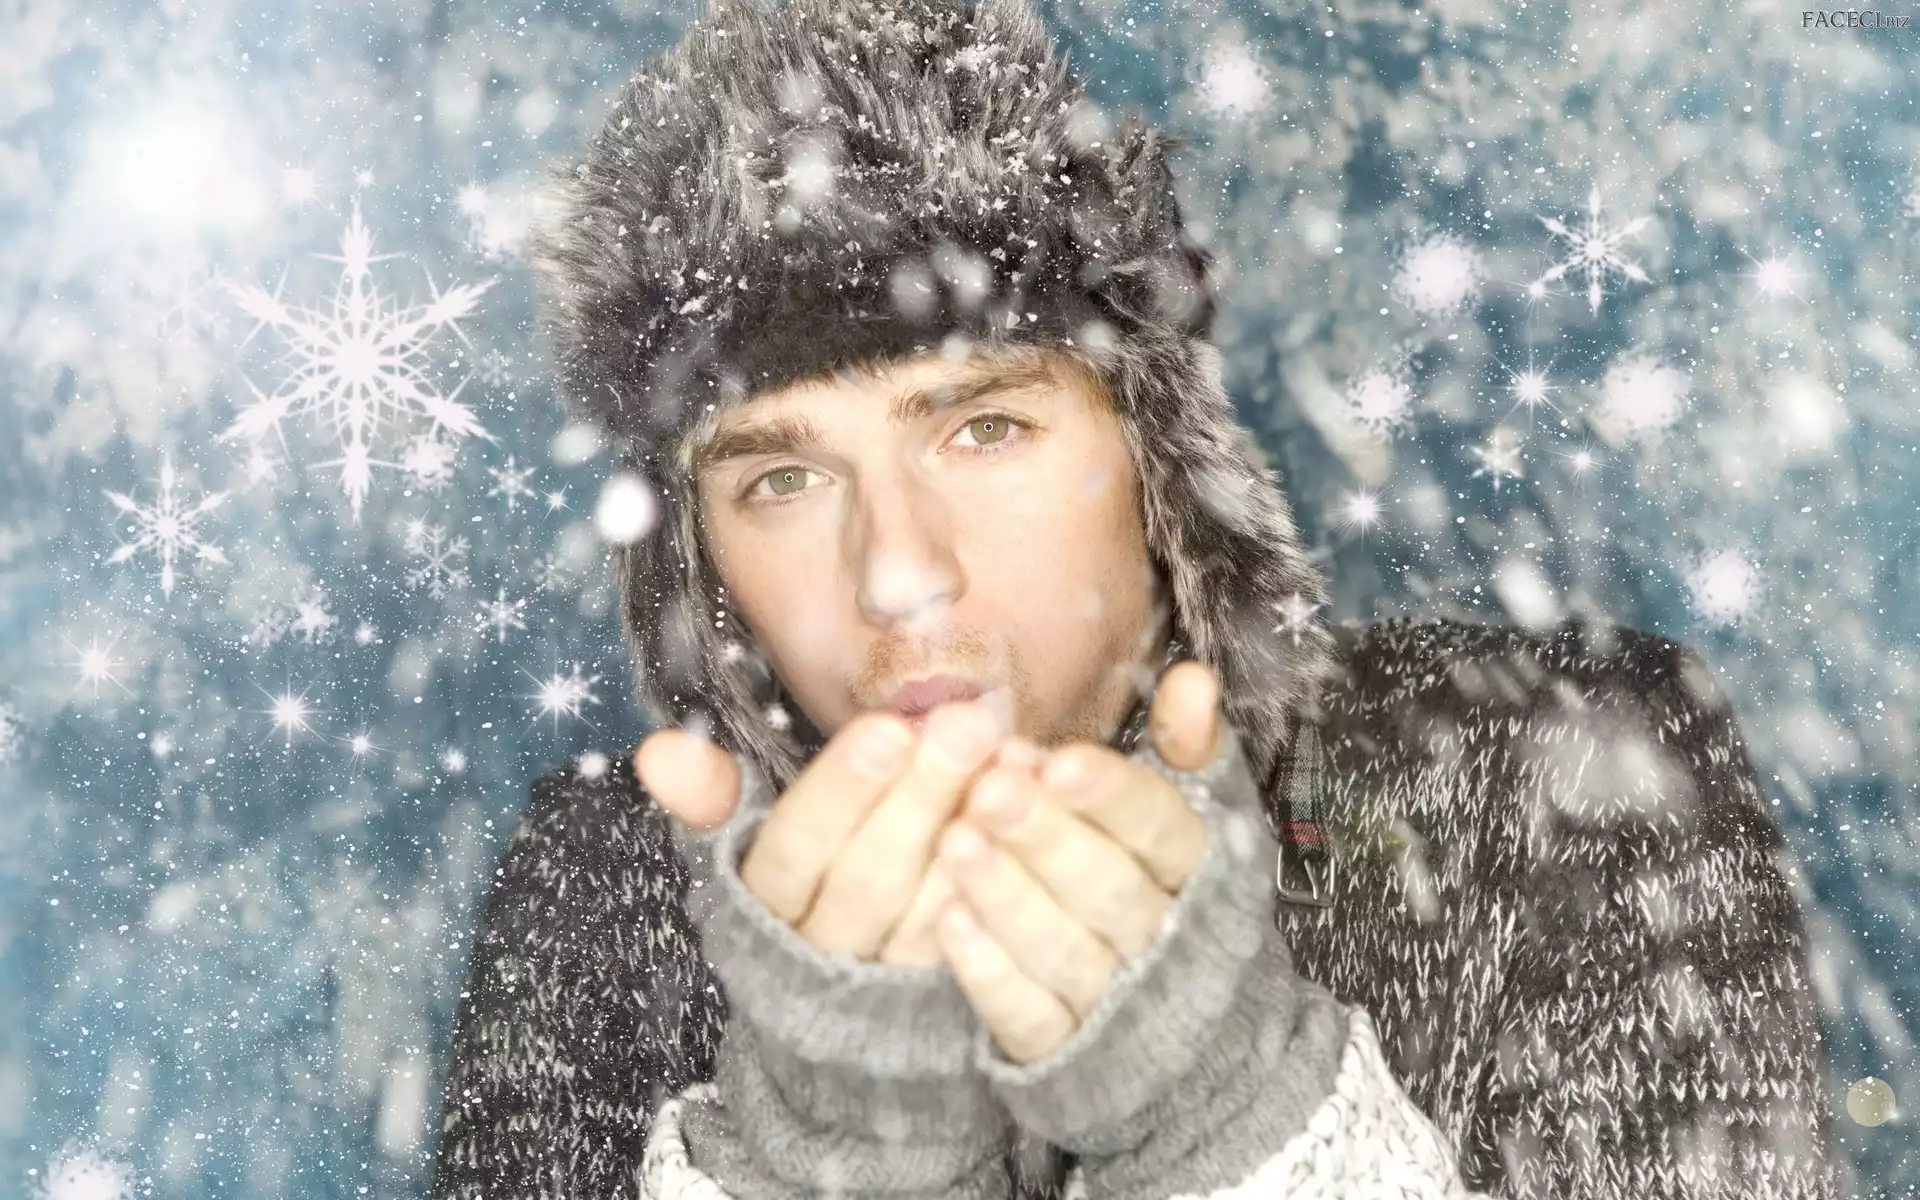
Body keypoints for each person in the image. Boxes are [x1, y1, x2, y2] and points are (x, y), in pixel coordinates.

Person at [428, 0, 1843, 1196]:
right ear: (697, 559)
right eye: (783, 480)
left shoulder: (1554, 771)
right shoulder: (607, 893)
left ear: (1156, 462)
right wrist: (817, 1161)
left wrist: (1239, 1121)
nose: (898, 571)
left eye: (985, 428)